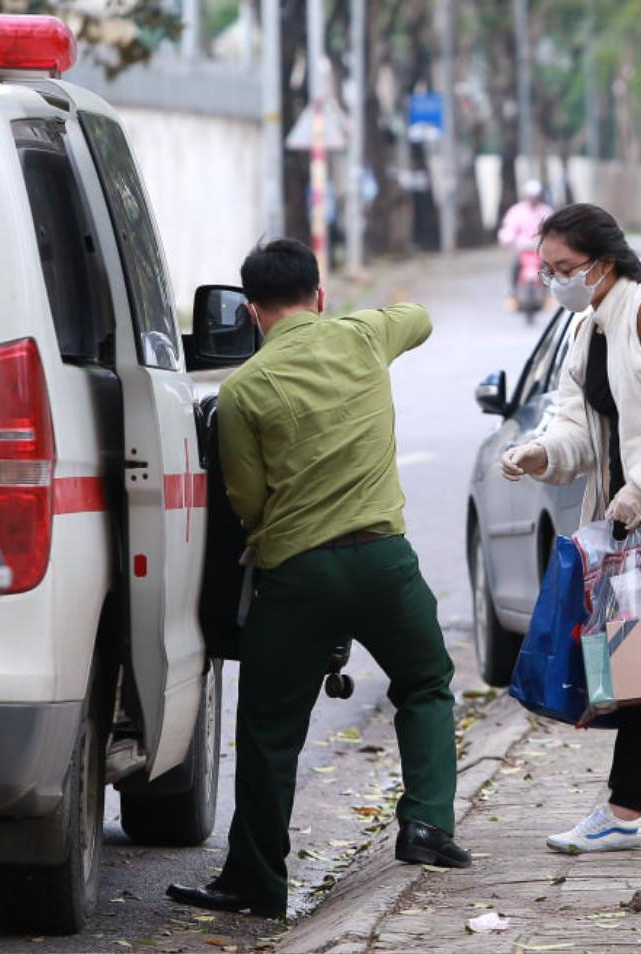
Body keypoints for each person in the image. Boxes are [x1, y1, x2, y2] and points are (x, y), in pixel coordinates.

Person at [166, 238, 469, 920]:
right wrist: (375, 316)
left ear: (250, 312)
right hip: (386, 565)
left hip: (298, 575)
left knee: (271, 730)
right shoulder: (363, 336)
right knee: (424, 683)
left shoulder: (243, 390)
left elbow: (246, 500)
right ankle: (426, 824)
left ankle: (256, 881)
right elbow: (417, 316)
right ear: (320, 296)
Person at [500, 203, 641, 853]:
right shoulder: (587, 327)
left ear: (604, 262)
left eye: (565, 269)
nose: (555, 282)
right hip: (630, 518)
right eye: (546, 271)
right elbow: (575, 426)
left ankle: (624, 813)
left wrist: (638, 493)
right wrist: (538, 452)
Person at [498, 179, 554, 302]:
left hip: (539, 248)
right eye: (531, 196)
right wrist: (507, 239)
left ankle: (549, 292)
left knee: (546, 267)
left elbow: (552, 229)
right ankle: (512, 291)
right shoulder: (517, 211)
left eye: (535, 196)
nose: (533, 199)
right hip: (522, 248)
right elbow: (509, 228)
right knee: (515, 265)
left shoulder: (545, 211)